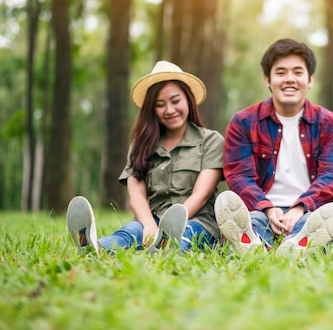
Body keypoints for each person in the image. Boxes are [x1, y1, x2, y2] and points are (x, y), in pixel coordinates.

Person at [66, 61, 224, 254]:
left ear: (188, 100)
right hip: (151, 219)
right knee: (127, 235)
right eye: (160, 105)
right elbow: (136, 195)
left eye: (175, 101)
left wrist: (171, 225)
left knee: (183, 238)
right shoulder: (140, 146)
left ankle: (164, 247)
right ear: (152, 109)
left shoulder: (211, 140)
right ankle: (92, 246)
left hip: (197, 221)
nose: (169, 110)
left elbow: (202, 195)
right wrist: (149, 225)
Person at [215, 38, 333, 256]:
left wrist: (299, 207)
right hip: (260, 209)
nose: (289, 79)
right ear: (267, 80)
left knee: (312, 224)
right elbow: (239, 175)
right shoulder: (243, 122)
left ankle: (293, 241)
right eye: (280, 73)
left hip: (308, 211)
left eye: (297, 72)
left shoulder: (331, 124)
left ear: (310, 79)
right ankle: (255, 241)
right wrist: (267, 207)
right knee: (253, 221)